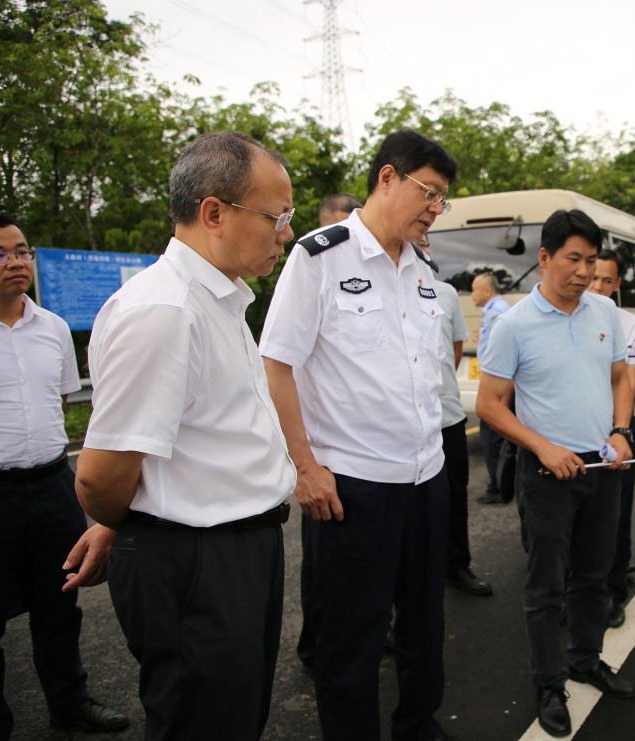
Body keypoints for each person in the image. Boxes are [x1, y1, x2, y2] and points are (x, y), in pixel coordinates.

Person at [74, 131, 298, 739]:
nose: (285, 232)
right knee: (203, 722)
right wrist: (128, 521)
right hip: (197, 559)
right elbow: (99, 474)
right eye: (276, 216)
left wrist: (122, 517)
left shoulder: (218, 301)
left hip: (236, 547)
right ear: (214, 212)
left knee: (234, 713)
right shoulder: (165, 310)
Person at [259, 129, 457, 740]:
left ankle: (418, 725)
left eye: (442, 200)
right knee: (351, 639)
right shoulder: (320, 257)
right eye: (429, 192)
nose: (435, 208)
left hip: (426, 475)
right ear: (387, 178)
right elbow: (277, 362)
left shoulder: (423, 268)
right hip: (355, 485)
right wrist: (305, 465)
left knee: (424, 626)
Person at [476, 208, 635, 739]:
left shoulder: (605, 312)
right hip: (547, 475)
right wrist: (542, 447)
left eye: (591, 260)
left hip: (602, 467)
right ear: (544, 258)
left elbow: (620, 377)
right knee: (546, 587)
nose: (584, 271)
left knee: (594, 577)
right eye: (574, 259)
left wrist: (621, 431)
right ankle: (549, 682)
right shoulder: (513, 325)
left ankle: (587, 659)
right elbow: (491, 404)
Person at [0, 214, 128, 739]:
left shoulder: (54, 328)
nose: (16, 262)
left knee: (60, 604)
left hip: (51, 484)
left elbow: (61, 399)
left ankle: (70, 701)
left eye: (21, 251)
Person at [297, 190, 367, 672]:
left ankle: (360, 634)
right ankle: (315, 646)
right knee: (322, 569)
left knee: (365, 571)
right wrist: (304, 463)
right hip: (327, 456)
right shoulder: (311, 262)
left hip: (372, 455)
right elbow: (284, 365)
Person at [422, 237, 494, 597]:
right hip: (404, 423)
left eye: (425, 243)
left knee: (454, 495)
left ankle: (456, 565)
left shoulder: (446, 293)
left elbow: (453, 350)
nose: (420, 248)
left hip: (447, 415)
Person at [586, 249, 635, 629]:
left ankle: (613, 592)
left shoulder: (628, 322)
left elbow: (630, 379)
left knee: (615, 518)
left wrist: (618, 430)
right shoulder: (568, 313)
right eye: (595, 278)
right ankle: (575, 590)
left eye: (608, 281)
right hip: (575, 434)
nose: (599, 286)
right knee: (576, 519)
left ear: (618, 284)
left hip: (614, 432)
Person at [471, 271, 512, 504]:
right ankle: (499, 484)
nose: (472, 294)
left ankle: (498, 487)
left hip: (497, 388)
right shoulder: (496, 310)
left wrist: (502, 399)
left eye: (475, 289)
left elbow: (503, 358)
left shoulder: (497, 313)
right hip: (496, 385)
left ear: (487, 291)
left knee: (493, 439)